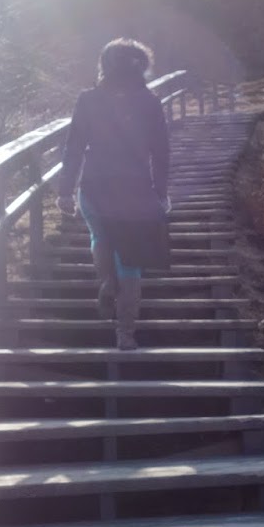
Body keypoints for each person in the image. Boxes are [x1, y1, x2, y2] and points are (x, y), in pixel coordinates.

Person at [55, 38, 171, 350]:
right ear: (140, 67)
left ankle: (107, 281)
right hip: (135, 191)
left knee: (100, 238)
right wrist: (161, 192)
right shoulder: (149, 102)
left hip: (94, 187)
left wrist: (65, 190)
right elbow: (161, 152)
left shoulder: (88, 100)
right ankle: (125, 334)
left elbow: (74, 147)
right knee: (130, 262)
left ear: (104, 65)